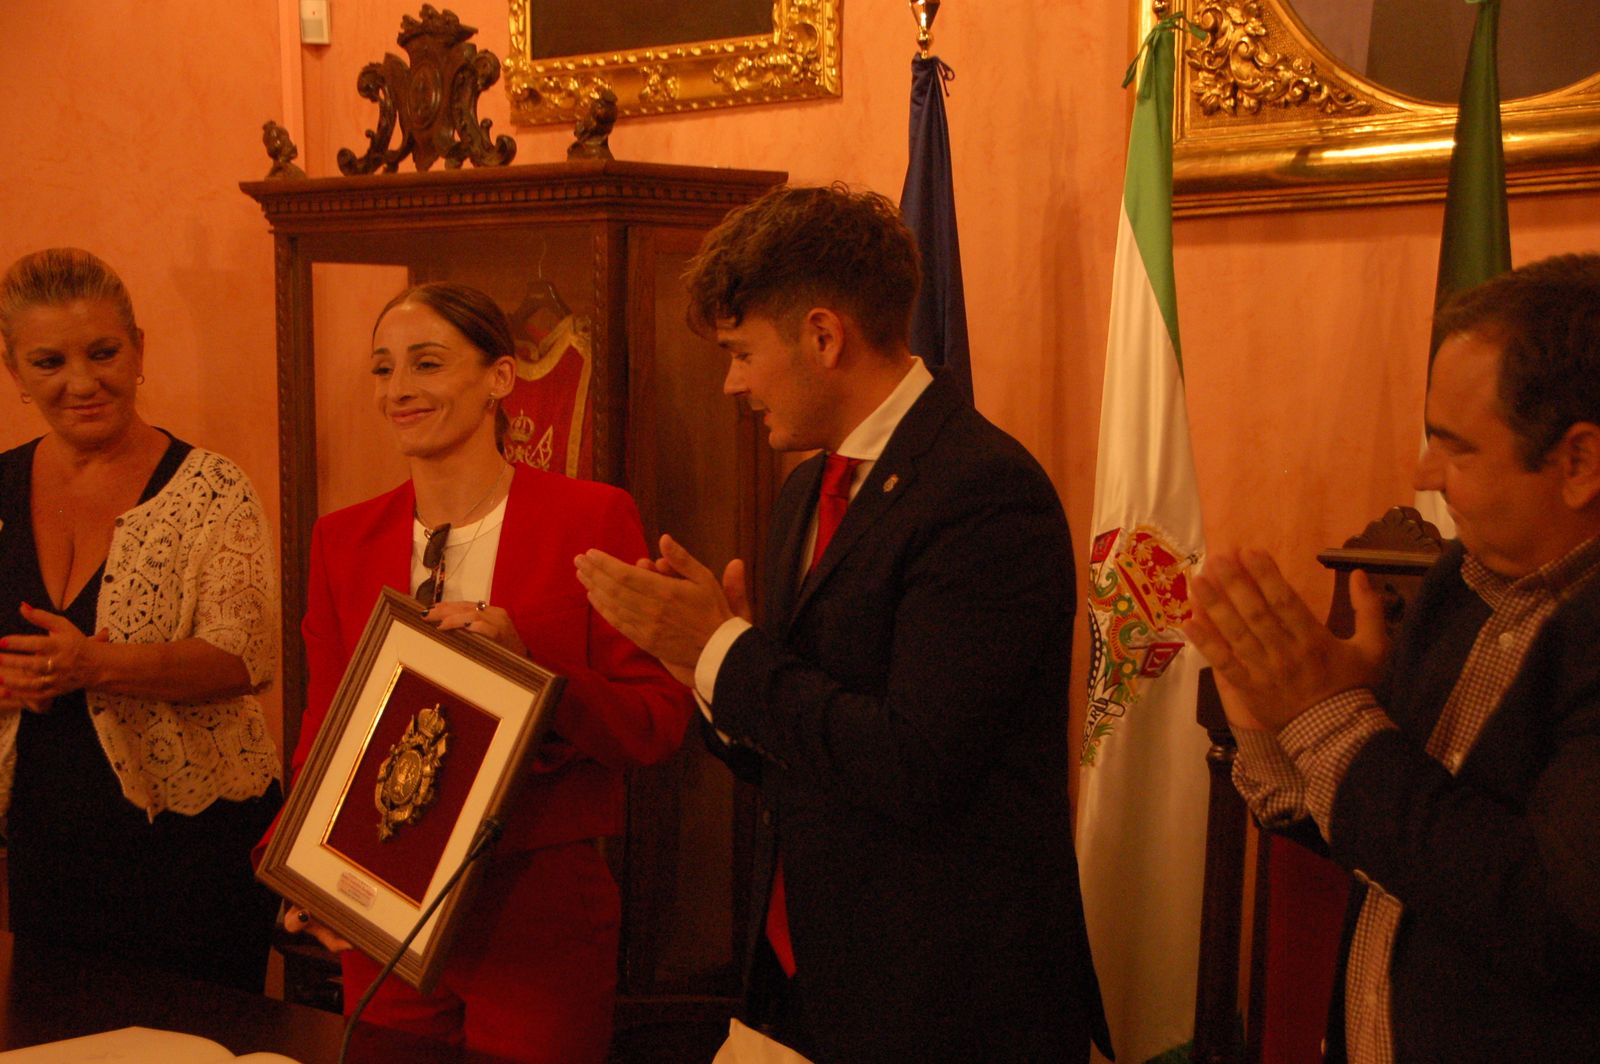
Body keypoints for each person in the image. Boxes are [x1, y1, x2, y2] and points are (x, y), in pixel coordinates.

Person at [575, 185, 1113, 1064]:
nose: (731, 383)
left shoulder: (983, 493)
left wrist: (724, 650)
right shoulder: (802, 493)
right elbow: (793, 751)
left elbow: (911, 765)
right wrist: (703, 672)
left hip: (947, 1006)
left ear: (824, 337)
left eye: (743, 352)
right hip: (804, 986)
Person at [1187, 253, 1600, 1062]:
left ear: (1578, 462)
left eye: (1457, 449)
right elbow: (1394, 842)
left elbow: (1553, 918)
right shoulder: (1461, 581)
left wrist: (1330, 722)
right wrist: (1275, 725)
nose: (1424, 475)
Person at [277, 282, 692, 1062]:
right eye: (382, 369)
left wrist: (537, 667)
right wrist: (304, 874)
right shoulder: (342, 540)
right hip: (383, 906)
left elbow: (657, 723)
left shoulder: (592, 517)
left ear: (501, 378)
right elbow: (321, 729)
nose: (399, 389)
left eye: (426, 364)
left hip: (536, 912)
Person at [0, 247, 282, 992]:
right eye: (49, 361)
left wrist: (93, 664)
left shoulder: (214, 490)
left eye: (103, 353)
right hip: (43, 862)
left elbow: (241, 660)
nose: (82, 382)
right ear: (14, 373)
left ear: (139, 351)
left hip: (193, 859)